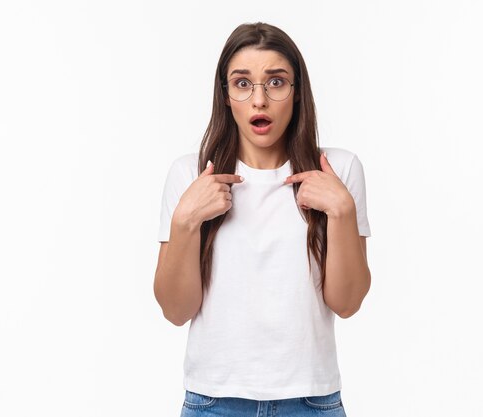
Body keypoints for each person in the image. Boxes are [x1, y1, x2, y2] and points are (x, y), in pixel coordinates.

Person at [154, 22, 371, 416]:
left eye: (275, 82)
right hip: (214, 402)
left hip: (311, 402)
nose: (259, 100)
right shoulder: (190, 176)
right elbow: (175, 310)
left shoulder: (339, 170)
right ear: (225, 96)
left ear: (297, 92)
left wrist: (342, 210)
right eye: (242, 84)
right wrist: (185, 220)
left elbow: (348, 302)